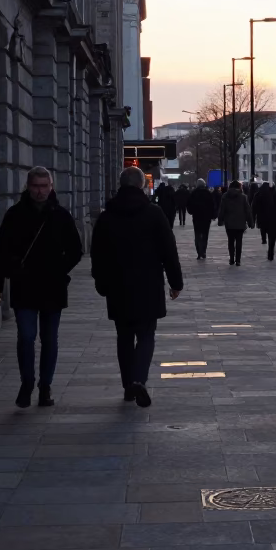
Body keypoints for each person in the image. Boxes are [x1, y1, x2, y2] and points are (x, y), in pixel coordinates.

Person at [0, 166, 84, 409]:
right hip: (25, 285)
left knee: (49, 339)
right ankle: (27, 383)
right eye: (36, 186)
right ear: (28, 187)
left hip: (52, 286)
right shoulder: (15, 215)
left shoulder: (60, 215)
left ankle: (45, 386)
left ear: (51, 187)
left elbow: (75, 250)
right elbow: (0, 251)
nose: (40, 191)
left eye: (44, 186)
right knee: (26, 337)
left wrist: (59, 269)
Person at [90, 166, 184, 408]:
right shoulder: (154, 213)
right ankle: (139, 380)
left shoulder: (107, 215)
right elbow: (168, 250)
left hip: (117, 285)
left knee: (123, 336)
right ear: (142, 185)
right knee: (145, 335)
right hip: (148, 284)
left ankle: (128, 387)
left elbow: (97, 253)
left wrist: (101, 282)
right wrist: (175, 283)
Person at [217, 180, 255, 265]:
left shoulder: (225, 196)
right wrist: (251, 223)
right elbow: (248, 211)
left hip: (229, 223)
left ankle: (231, 259)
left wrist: (220, 220)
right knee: (239, 241)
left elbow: (222, 209)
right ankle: (238, 260)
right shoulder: (243, 197)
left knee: (230, 241)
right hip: (240, 222)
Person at [186, 178, 215, 260]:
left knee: (197, 234)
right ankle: (204, 251)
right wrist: (213, 215)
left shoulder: (193, 193)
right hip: (206, 217)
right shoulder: (208, 193)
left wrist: (191, 212)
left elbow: (189, 205)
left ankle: (199, 252)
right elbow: (212, 205)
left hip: (197, 217)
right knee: (205, 235)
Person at [254, 181, 276, 261]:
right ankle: (271, 252)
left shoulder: (258, 194)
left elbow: (254, 208)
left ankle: (264, 240)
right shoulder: (275, 194)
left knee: (264, 231)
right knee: (272, 237)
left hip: (262, 219)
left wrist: (253, 220)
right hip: (273, 219)